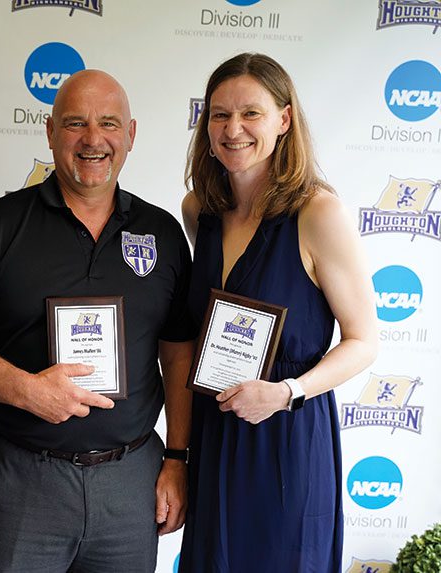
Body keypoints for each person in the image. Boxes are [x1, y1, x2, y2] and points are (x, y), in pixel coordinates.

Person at [0, 69, 194, 572]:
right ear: (50, 131)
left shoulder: (161, 232)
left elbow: (180, 351)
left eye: (109, 124)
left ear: (132, 134)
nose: (93, 140)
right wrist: (26, 389)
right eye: (75, 124)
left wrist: (179, 459)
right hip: (22, 478)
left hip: (131, 480)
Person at [179, 53, 378, 572]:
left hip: (286, 439)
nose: (233, 129)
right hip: (215, 432)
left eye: (251, 113)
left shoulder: (318, 212)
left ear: (284, 119)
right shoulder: (199, 210)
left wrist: (287, 393)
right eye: (219, 115)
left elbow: (364, 341)